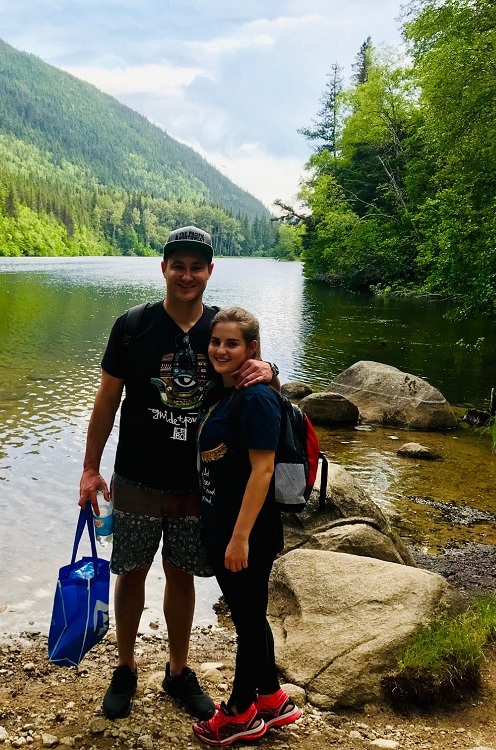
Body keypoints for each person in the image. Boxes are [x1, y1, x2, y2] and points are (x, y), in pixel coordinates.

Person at [78, 226, 278, 721]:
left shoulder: (219, 330)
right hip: (136, 476)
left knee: (181, 574)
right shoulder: (132, 326)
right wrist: (89, 468)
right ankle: (124, 668)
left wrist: (269, 366)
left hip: (198, 485)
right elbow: (107, 398)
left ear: (210, 271)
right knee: (131, 572)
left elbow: (250, 372)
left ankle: (177, 670)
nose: (186, 275)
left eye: (196, 266)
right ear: (163, 268)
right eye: (178, 265)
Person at [191, 307, 302, 746]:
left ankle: (240, 713)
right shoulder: (226, 391)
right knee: (252, 615)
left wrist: (239, 538)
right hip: (227, 526)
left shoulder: (255, 398)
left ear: (251, 349)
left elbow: (262, 471)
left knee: (248, 621)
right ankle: (271, 698)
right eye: (216, 341)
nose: (220, 349)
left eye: (232, 343)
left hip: (246, 533)